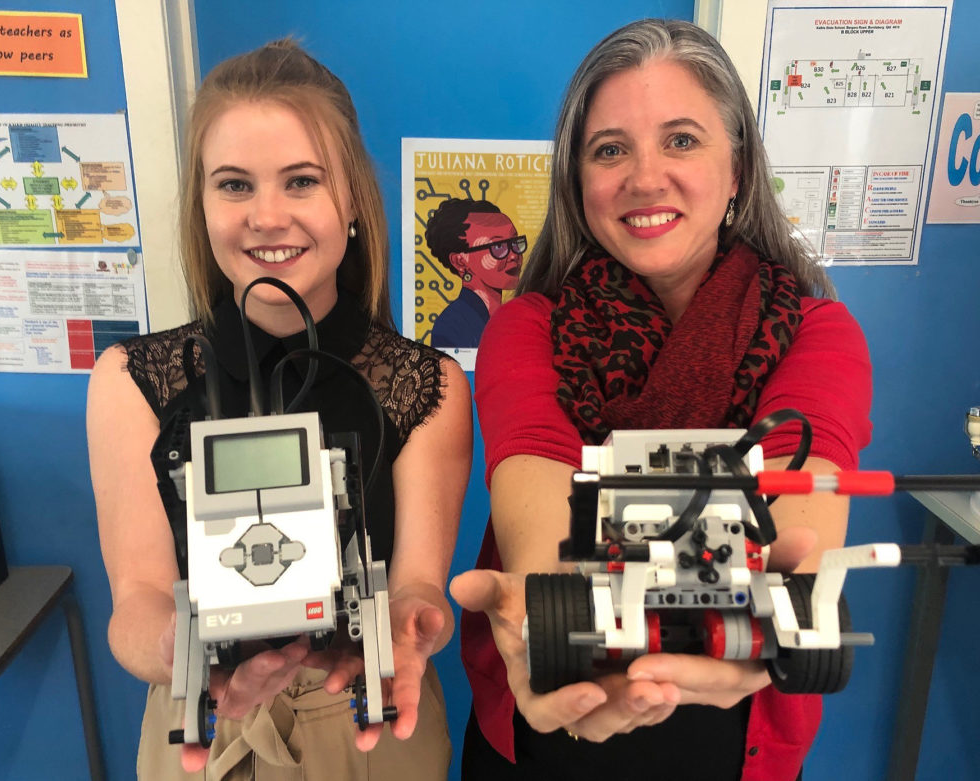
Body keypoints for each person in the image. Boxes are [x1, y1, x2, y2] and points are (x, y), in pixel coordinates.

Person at [450, 18, 871, 781]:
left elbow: (795, 546)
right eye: (610, 149)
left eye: (681, 140)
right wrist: (566, 643)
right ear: (579, 181)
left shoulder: (819, 333)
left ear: (738, 167)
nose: (646, 178)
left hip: (732, 735)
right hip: (551, 727)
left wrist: (776, 609)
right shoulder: (526, 328)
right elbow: (541, 531)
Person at [87, 40, 471, 781]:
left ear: (352, 198)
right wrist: (179, 648)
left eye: (301, 181)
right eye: (234, 185)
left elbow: (419, 586)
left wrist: (412, 619)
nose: (267, 216)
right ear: (200, 205)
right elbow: (134, 601)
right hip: (201, 727)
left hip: (370, 726)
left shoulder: (429, 387)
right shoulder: (131, 382)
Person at [424, 198, 524, 348]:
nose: (514, 255)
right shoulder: (452, 326)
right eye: (498, 247)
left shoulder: (514, 319)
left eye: (515, 243)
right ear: (460, 261)